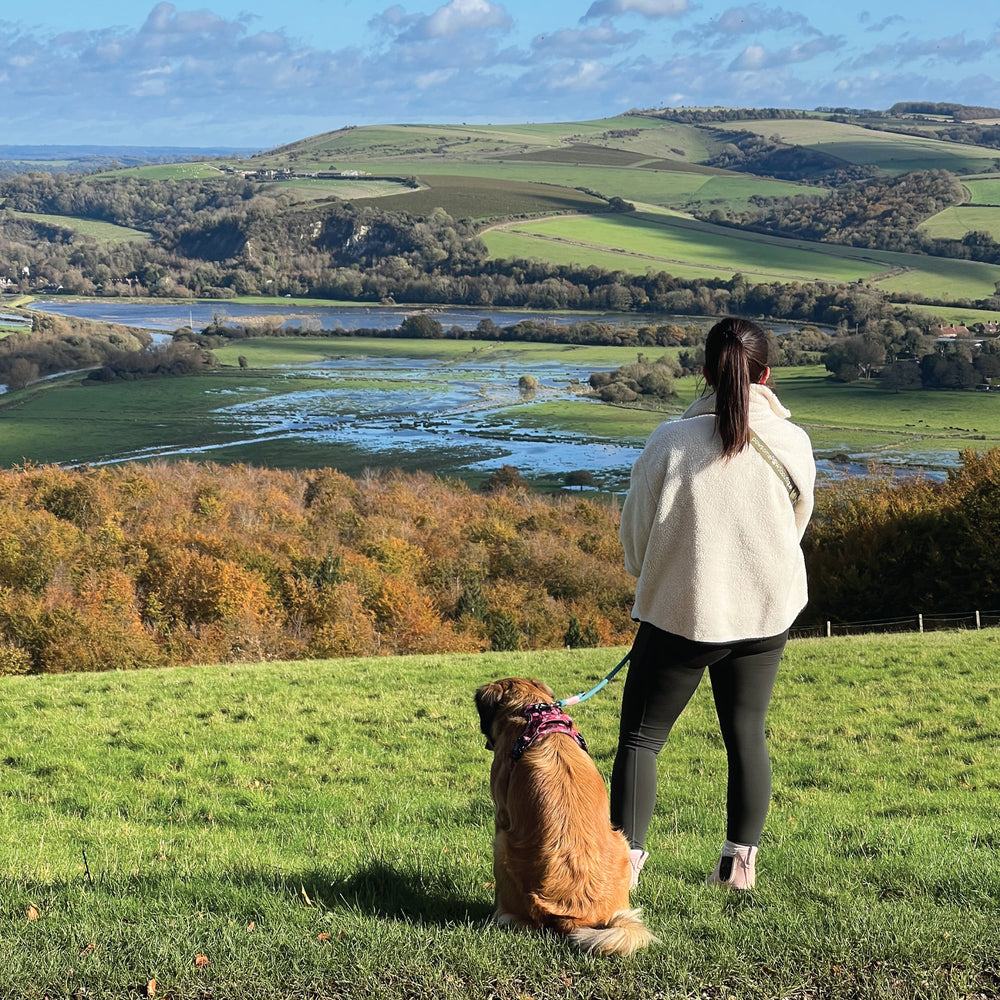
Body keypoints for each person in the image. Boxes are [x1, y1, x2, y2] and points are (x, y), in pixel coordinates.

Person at [610, 316, 816, 891]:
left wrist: (655, 577)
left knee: (641, 740)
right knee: (746, 734)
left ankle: (620, 875)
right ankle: (737, 872)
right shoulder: (793, 442)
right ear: (766, 376)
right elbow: (794, 527)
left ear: (704, 372)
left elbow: (636, 538)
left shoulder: (669, 442)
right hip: (766, 614)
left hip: (681, 613)